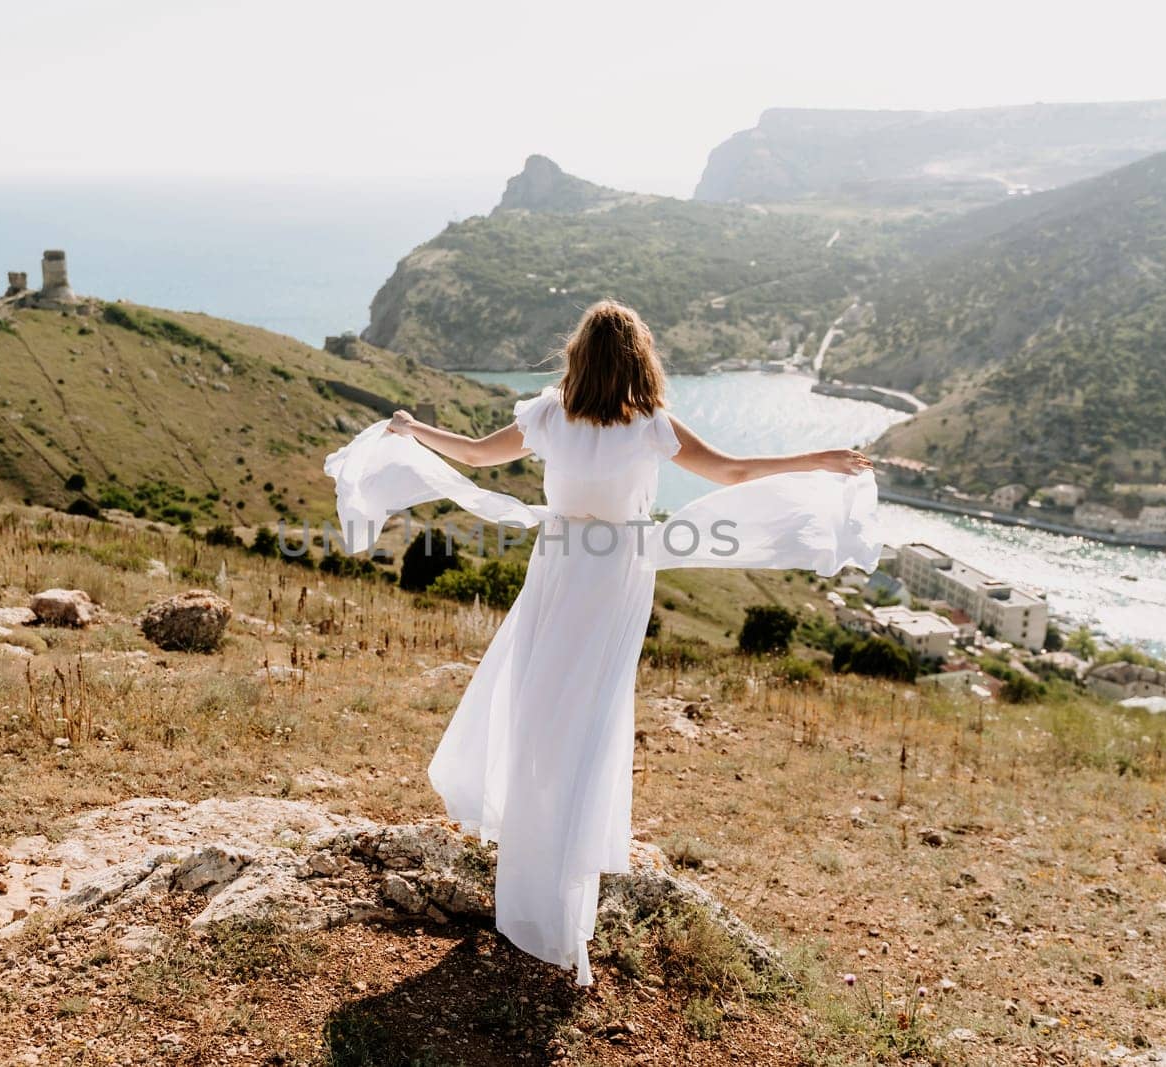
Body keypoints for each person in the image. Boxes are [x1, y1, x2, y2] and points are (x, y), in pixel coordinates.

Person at [324, 299, 878, 984]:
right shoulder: (651, 426)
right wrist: (818, 459)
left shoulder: (547, 414)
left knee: (536, 711)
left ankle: (534, 879)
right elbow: (733, 473)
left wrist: (411, 429)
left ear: (578, 356)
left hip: (558, 564)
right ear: (640, 358)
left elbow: (470, 455)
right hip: (613, 573)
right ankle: (561, 886)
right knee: (590, 720)